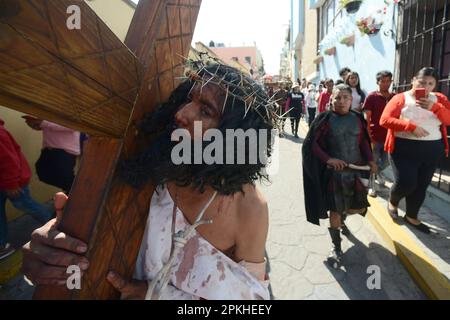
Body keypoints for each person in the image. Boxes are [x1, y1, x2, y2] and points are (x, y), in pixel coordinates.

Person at [22, 63, 277, 300]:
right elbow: (88, 233)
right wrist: (58, 242)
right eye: (190, 99)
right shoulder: (149, 166)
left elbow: (249, 302)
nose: (181, 113)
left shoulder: (249, 208)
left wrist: (155, 294)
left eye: (205, 110)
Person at [302, 84, 376, 268]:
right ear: (331, 100)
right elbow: (313, 146)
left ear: (351, 100)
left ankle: (343, 218)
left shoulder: (358, 119)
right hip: (335, 175)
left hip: (356, 171)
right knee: (335, 210)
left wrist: (371, 159)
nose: (341, 101)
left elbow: (363, 143)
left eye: (345, 97)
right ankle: (336, 247)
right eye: (338, 98)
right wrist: (329, 159)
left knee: (357, 208)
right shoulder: (324, 120)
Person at [380, 67, 450, 234]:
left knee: (421, 186)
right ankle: (393, 200)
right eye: (422, 82)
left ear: (435, 85)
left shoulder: (439, 98)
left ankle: (411, 216)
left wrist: (435, 108)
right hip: (404, 149)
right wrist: (409, 126)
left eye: (430, 83)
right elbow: (384, 120)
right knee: (407, 182)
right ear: (413, 80)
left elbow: (448, 119)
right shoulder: (400, 98)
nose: (426, 86)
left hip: (431, 150)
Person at [0, 118, 53, 260]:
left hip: (14, 183)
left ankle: (54, 225)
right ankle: (2, 245)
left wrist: (11, 184)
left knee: (27, 205)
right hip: (6, 182)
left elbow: (8, 161)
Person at [24, 118, 80, 194]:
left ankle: (76, 192)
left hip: (64, 150)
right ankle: (72, 191)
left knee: (65, 177)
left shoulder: (71, 111)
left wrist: (44, 123)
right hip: (49, 148)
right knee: (42, 172)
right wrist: (37, 125)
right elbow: (48, 125)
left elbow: (72, 126)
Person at [363, 71, 395, 197]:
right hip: (375, 136)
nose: (386, 83)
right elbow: (367, 118)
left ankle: (377, 173)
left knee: (387, 161)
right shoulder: (372, 97)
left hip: (389, 136)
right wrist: (368, 135)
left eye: (388, 81)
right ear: (378, 82)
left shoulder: (394, 97)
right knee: (373, 161)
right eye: (383, 81)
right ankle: (372, 187)